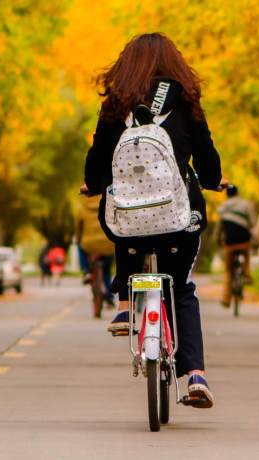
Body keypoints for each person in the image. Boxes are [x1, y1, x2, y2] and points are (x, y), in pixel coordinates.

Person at [83, 33, 224, 408]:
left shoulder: (117, 103)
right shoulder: (186, 99)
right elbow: (206, 154)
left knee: (124, 225)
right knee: (180, 287)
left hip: (127, 220)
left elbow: (98, 155)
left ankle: (128, 302)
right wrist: (212, 180)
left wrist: (93, 184)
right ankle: (195, 373)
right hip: (179, 217)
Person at [215, 185, 256, 307]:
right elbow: (253, 223)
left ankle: (226, 298)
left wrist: (218, 240)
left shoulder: (223, 208)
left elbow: (219, 228)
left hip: (229, 242)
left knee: (228, 270)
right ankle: (247, 274)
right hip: (244, 241)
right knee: (247, 254)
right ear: (237, 193)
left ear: (227, 194)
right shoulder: (246, 205)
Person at [76, 195, 115, 306]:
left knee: (80, 246)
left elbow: (78, 227)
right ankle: (109, 296)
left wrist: (79, 240)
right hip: (108, 245)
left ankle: (86, 271)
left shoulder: (82, 208)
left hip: (89, 245)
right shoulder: (108, 205)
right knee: (106, 271)